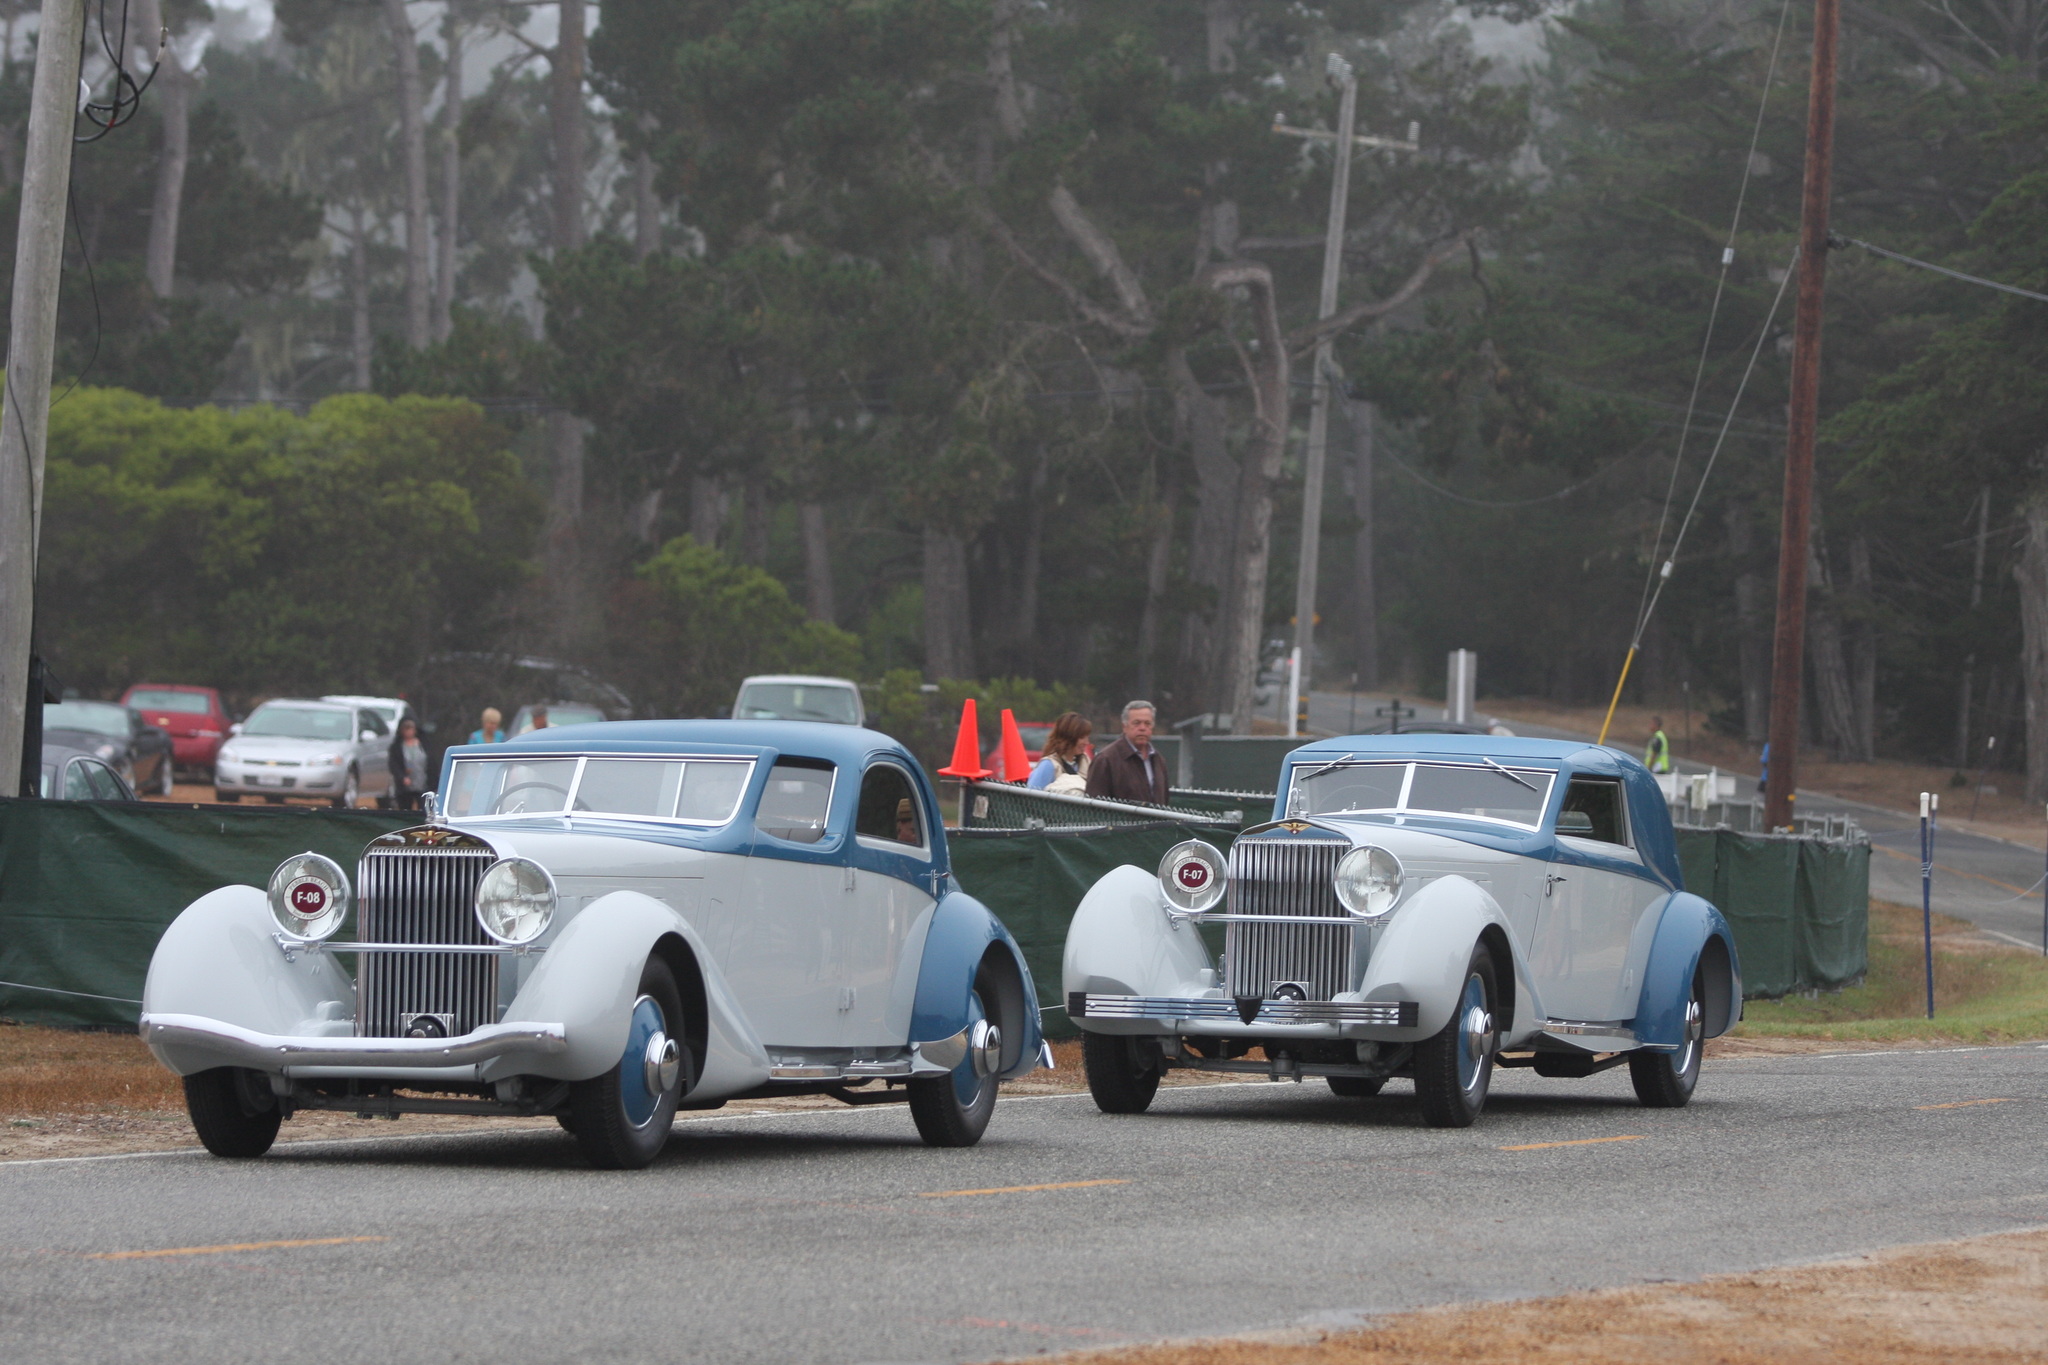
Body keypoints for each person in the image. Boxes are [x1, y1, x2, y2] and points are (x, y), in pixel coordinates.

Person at [1086, 700, 1168, 806]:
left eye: (1147, 723)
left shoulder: (1158, 760)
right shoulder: (1106, 759)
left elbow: (1164, 800)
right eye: (1136, 723)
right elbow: (1094, 805)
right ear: (1124, 726)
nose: (1142, 728)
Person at [1027, 712, 1092, 794]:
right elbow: (1031, 796)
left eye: (1087, 737)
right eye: (1082, 737)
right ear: (1069, 737)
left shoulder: (1085, 762)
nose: (1086, 742)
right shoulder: (1048, 765)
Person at [388, 717, 428, 811]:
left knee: (423, 809)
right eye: (406, 729)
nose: (409, 732)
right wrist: (402, 777)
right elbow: (393, 765)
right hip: (405, 786)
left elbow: (431, 763)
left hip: (422, 782)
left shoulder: (424, 744)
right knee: (405, 809)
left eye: (411, 728)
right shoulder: (396, 747)